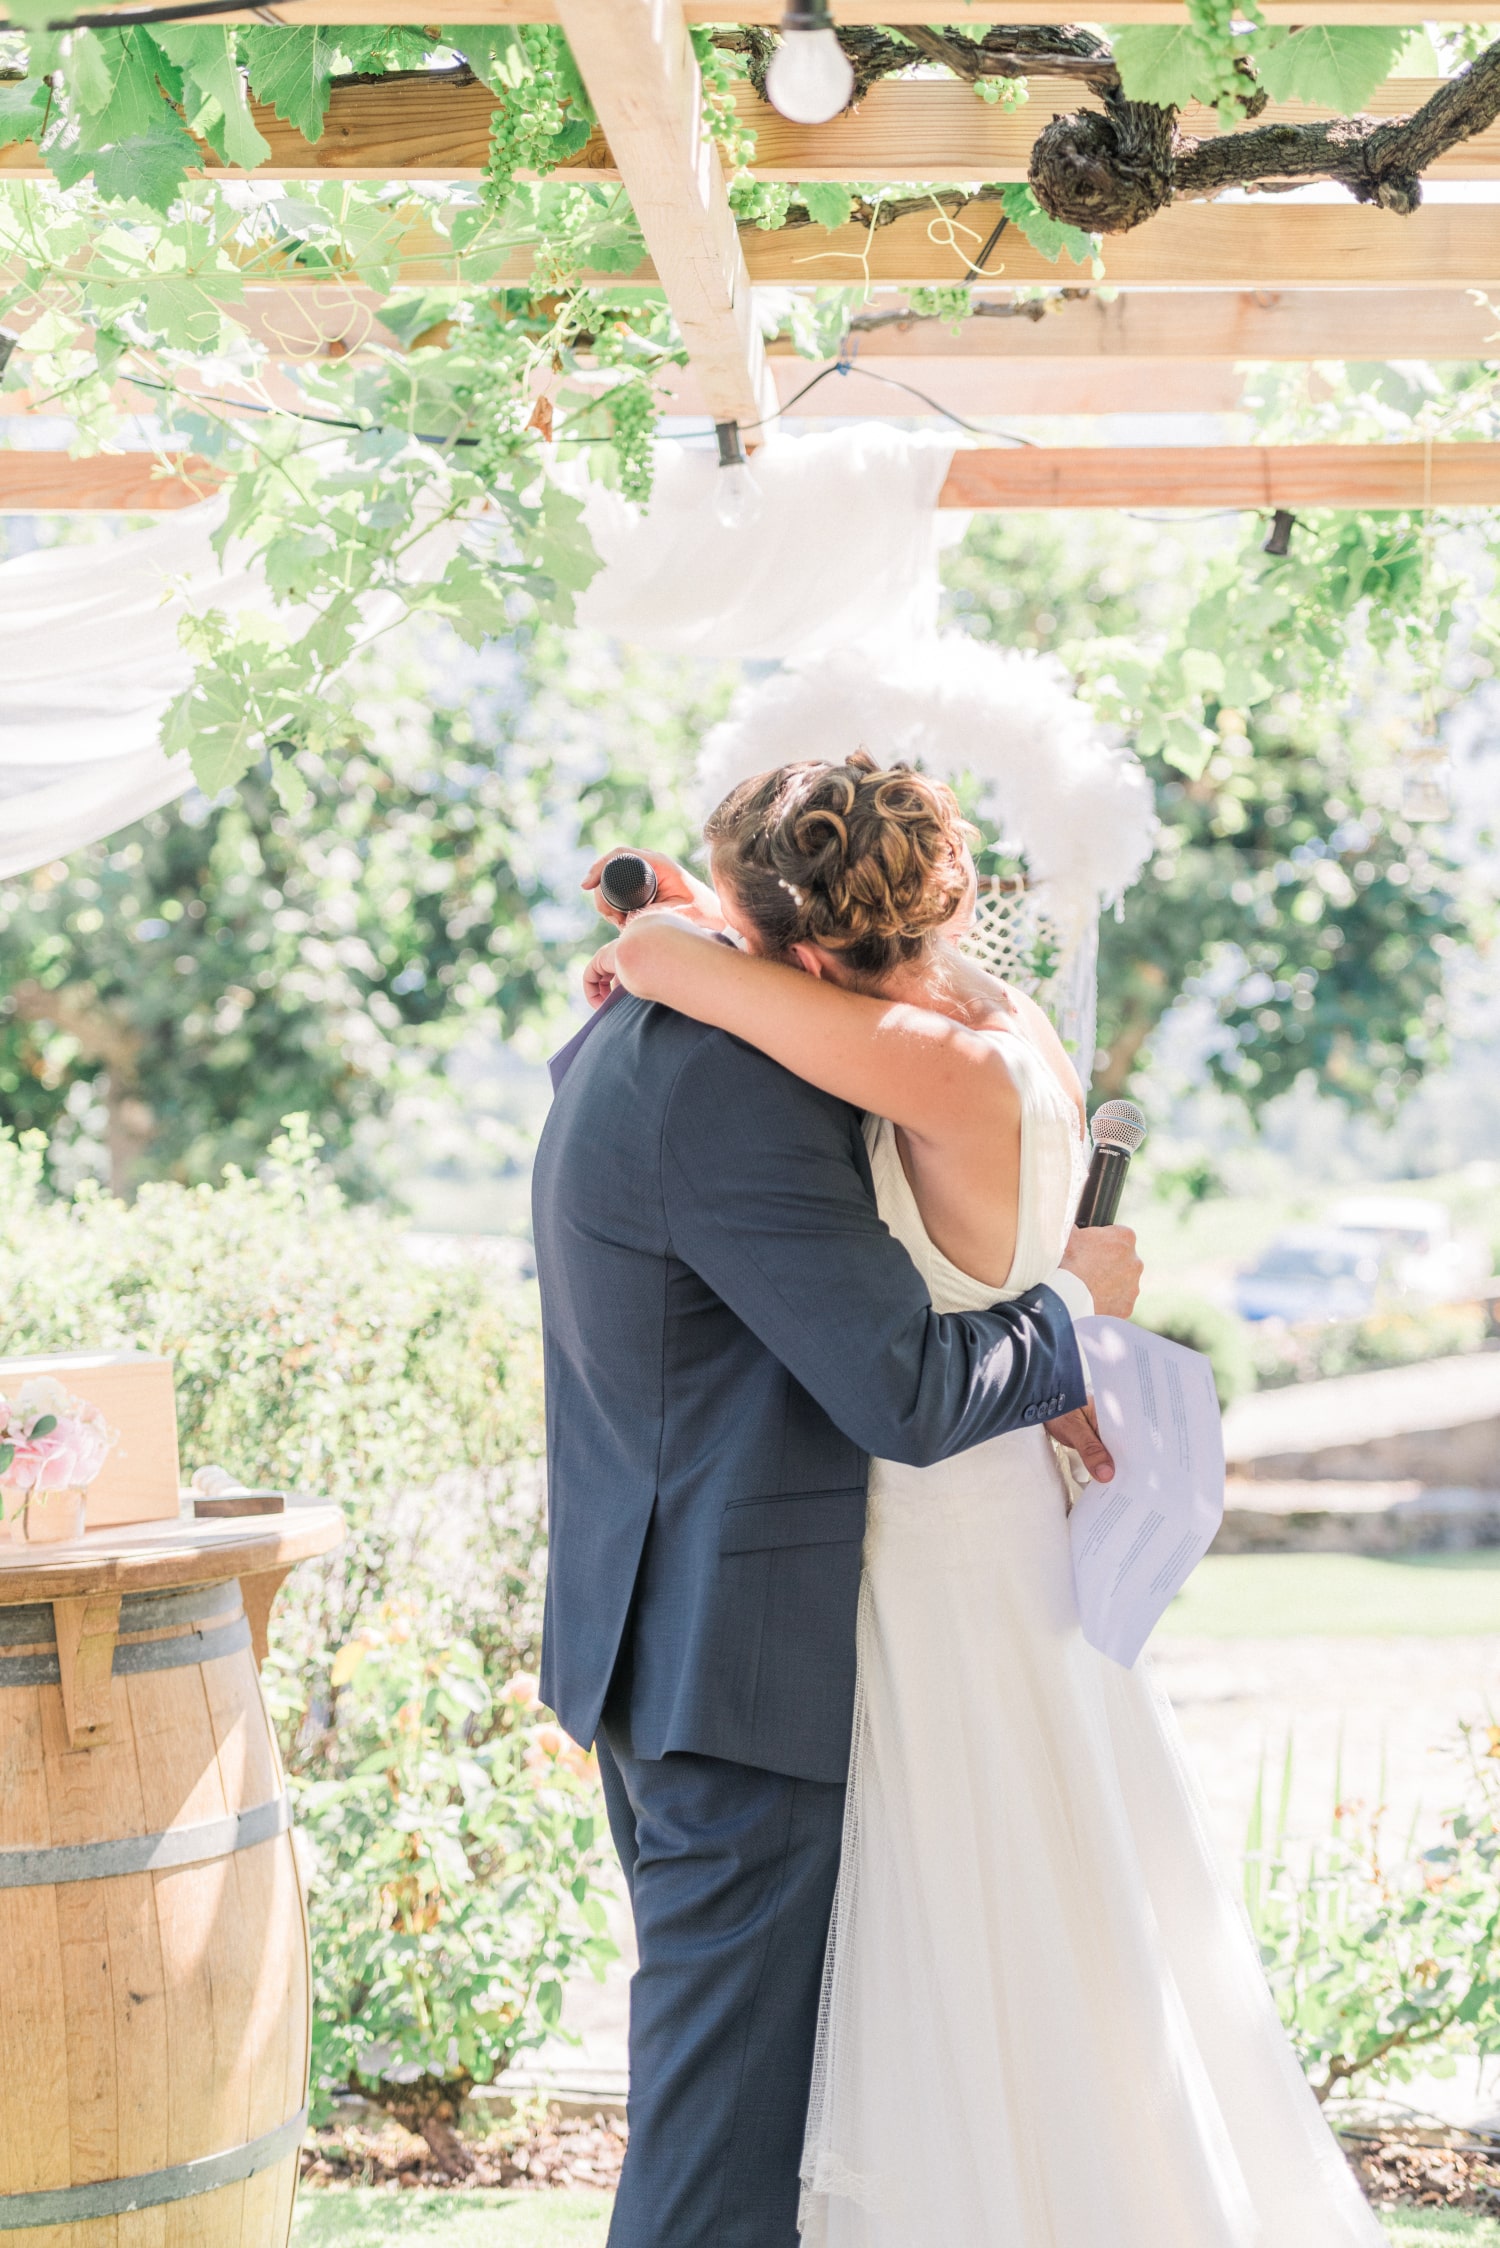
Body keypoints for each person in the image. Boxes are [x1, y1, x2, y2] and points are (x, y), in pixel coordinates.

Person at [581, 754, 1384, 2248]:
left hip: (925, 1542)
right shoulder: (1002, 1028)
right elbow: (754, 975)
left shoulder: (911, 1061)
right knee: (1059, 1935)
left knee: (953, 1937)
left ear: (805, 951)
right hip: (1003, 1529)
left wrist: (662, 938)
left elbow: (661, 962)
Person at [530, 758, 1140, 2248]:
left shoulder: (660, 1032)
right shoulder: (750, 1068)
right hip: (735, 1666)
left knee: (788, 2114)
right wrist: (1072, 1314)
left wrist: (667, 946)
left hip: (691, 1637)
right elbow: (906, 1391)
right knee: (721, 2160)